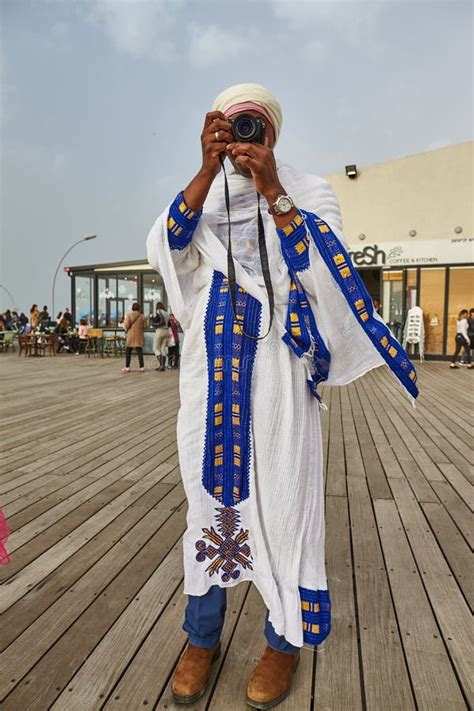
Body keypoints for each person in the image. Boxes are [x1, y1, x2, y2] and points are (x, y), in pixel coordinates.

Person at [146, 83, 419, 709]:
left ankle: (282, 642)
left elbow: (330, 272)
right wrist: (205, 167)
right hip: (209, 375)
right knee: (208, 504)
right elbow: (167, 249)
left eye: (254, 126)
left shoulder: (306, 189)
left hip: (279, 375)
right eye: (232, 124)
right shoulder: (203, 192)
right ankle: (201, 637)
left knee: (288, 502)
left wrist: (273, 191)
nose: (245, 137)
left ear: (273, 133)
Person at [122, 303, 145, 373]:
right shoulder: (142, 316)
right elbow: (145, 326)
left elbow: (126, 325)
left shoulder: (129, 316)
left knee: (128, 351)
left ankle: (127, 367)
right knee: (139, 351)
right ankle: (141, 367)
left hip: (131, 336)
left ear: (132, 308)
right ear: (139, 308)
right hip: (139, 336)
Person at [152, 302, 170, 371]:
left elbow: (157, 321)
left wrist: (152, 320)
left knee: (155, 348)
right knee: (162, 349)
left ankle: (162, 365)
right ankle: (162, 366)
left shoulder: (158, 311)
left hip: (160, 331)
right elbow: (169, 324)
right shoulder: (167, 313)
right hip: (166, 331)